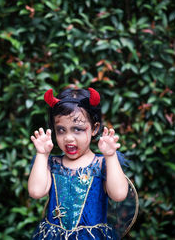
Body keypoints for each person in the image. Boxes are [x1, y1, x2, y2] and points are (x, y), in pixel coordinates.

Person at [28, 87, 129, 239]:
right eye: (61, 130)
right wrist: (42, 154)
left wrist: (111, 156)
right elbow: (36, 192)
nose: (68, 138)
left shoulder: (101, 164)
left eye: (77, 129)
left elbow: (120, 194)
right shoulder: (52, 163)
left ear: (94, 129)